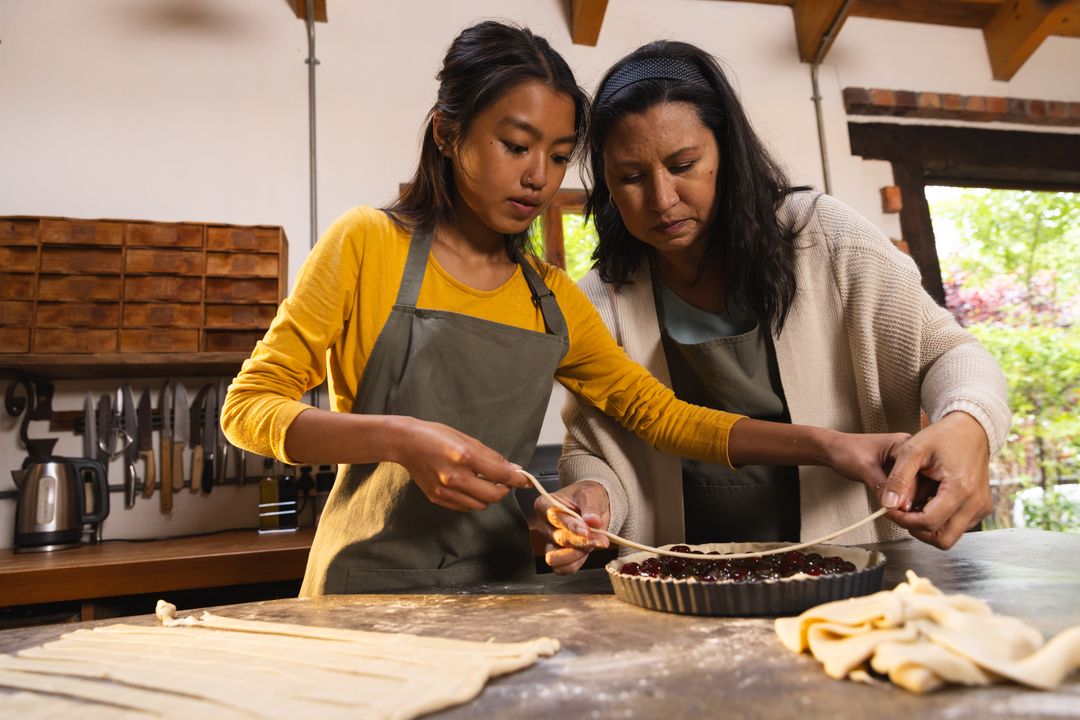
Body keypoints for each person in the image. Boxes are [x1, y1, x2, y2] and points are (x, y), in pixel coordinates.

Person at [222, 23, 909, 597]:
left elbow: (665, 417)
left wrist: (831, 446)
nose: (538, 178)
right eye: (515, 146)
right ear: (445, 134)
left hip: (504, 591)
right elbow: (248, 409)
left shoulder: (550, 296)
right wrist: (401, 438)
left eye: (556, 157)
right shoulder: (367, 243)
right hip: (356, 591)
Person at [536, 41, 1011, 574]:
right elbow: (593, 452)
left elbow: (950, 355)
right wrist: (594, 498)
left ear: (728, 154)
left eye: (684, 165)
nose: (662, 198)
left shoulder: (826, 239)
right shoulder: (601, 299)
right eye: (630, 177)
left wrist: (969, 424)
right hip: (683, 582)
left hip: (850, 570)